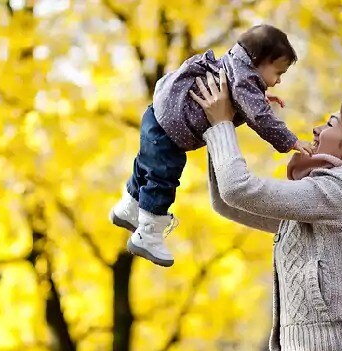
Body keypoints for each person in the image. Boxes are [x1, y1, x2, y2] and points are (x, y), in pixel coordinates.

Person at [191, 69, 342, 351]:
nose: (316, 130)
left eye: (331, 124)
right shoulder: (321, 201)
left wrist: (221, 125)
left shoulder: (341, 193)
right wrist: (225, 122)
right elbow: (227, 202)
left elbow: (238, 189)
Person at [109, 24, 313, 267]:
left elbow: (242, 95)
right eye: (278, 73)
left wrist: (261, 97)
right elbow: (260, 118)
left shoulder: (233, 66)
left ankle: (129, 207)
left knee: (146, 166)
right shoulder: (244, 80)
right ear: (257, 61)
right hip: (172, 128)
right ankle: (148, 233)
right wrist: (290, 141)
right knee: (164, 175)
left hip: (155, 116)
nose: (278, 81)